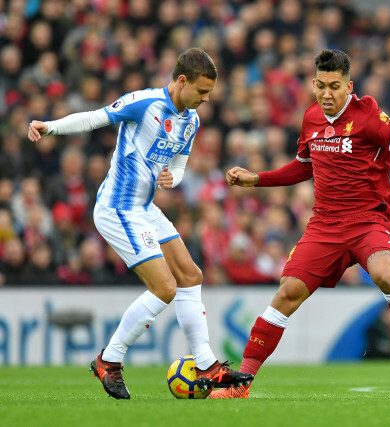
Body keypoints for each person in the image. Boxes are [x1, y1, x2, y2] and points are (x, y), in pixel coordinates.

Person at [209, 49, 390, 399]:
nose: (327, 94)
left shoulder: (369, 116)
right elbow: (303, 166)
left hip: (370, 219)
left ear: (349, 86)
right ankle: (242, 384)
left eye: (335, 87)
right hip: (325, 223)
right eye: (321, 86)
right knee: (286, 293)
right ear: (313, 84)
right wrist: (256, 180)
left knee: (387, 275)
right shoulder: (310, 117)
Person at [27, 48, 253, 399]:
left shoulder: (190, 120)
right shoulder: (144, 103)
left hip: (144, 208)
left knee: (191, 276)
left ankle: (207, 363)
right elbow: (94, 119)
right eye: (202, 91)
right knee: (164, 288)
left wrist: (172, 180)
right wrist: (50, 127)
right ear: (182, 80)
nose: (206, 99)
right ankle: (109, 360)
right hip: (117, 208)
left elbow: (178, 166)